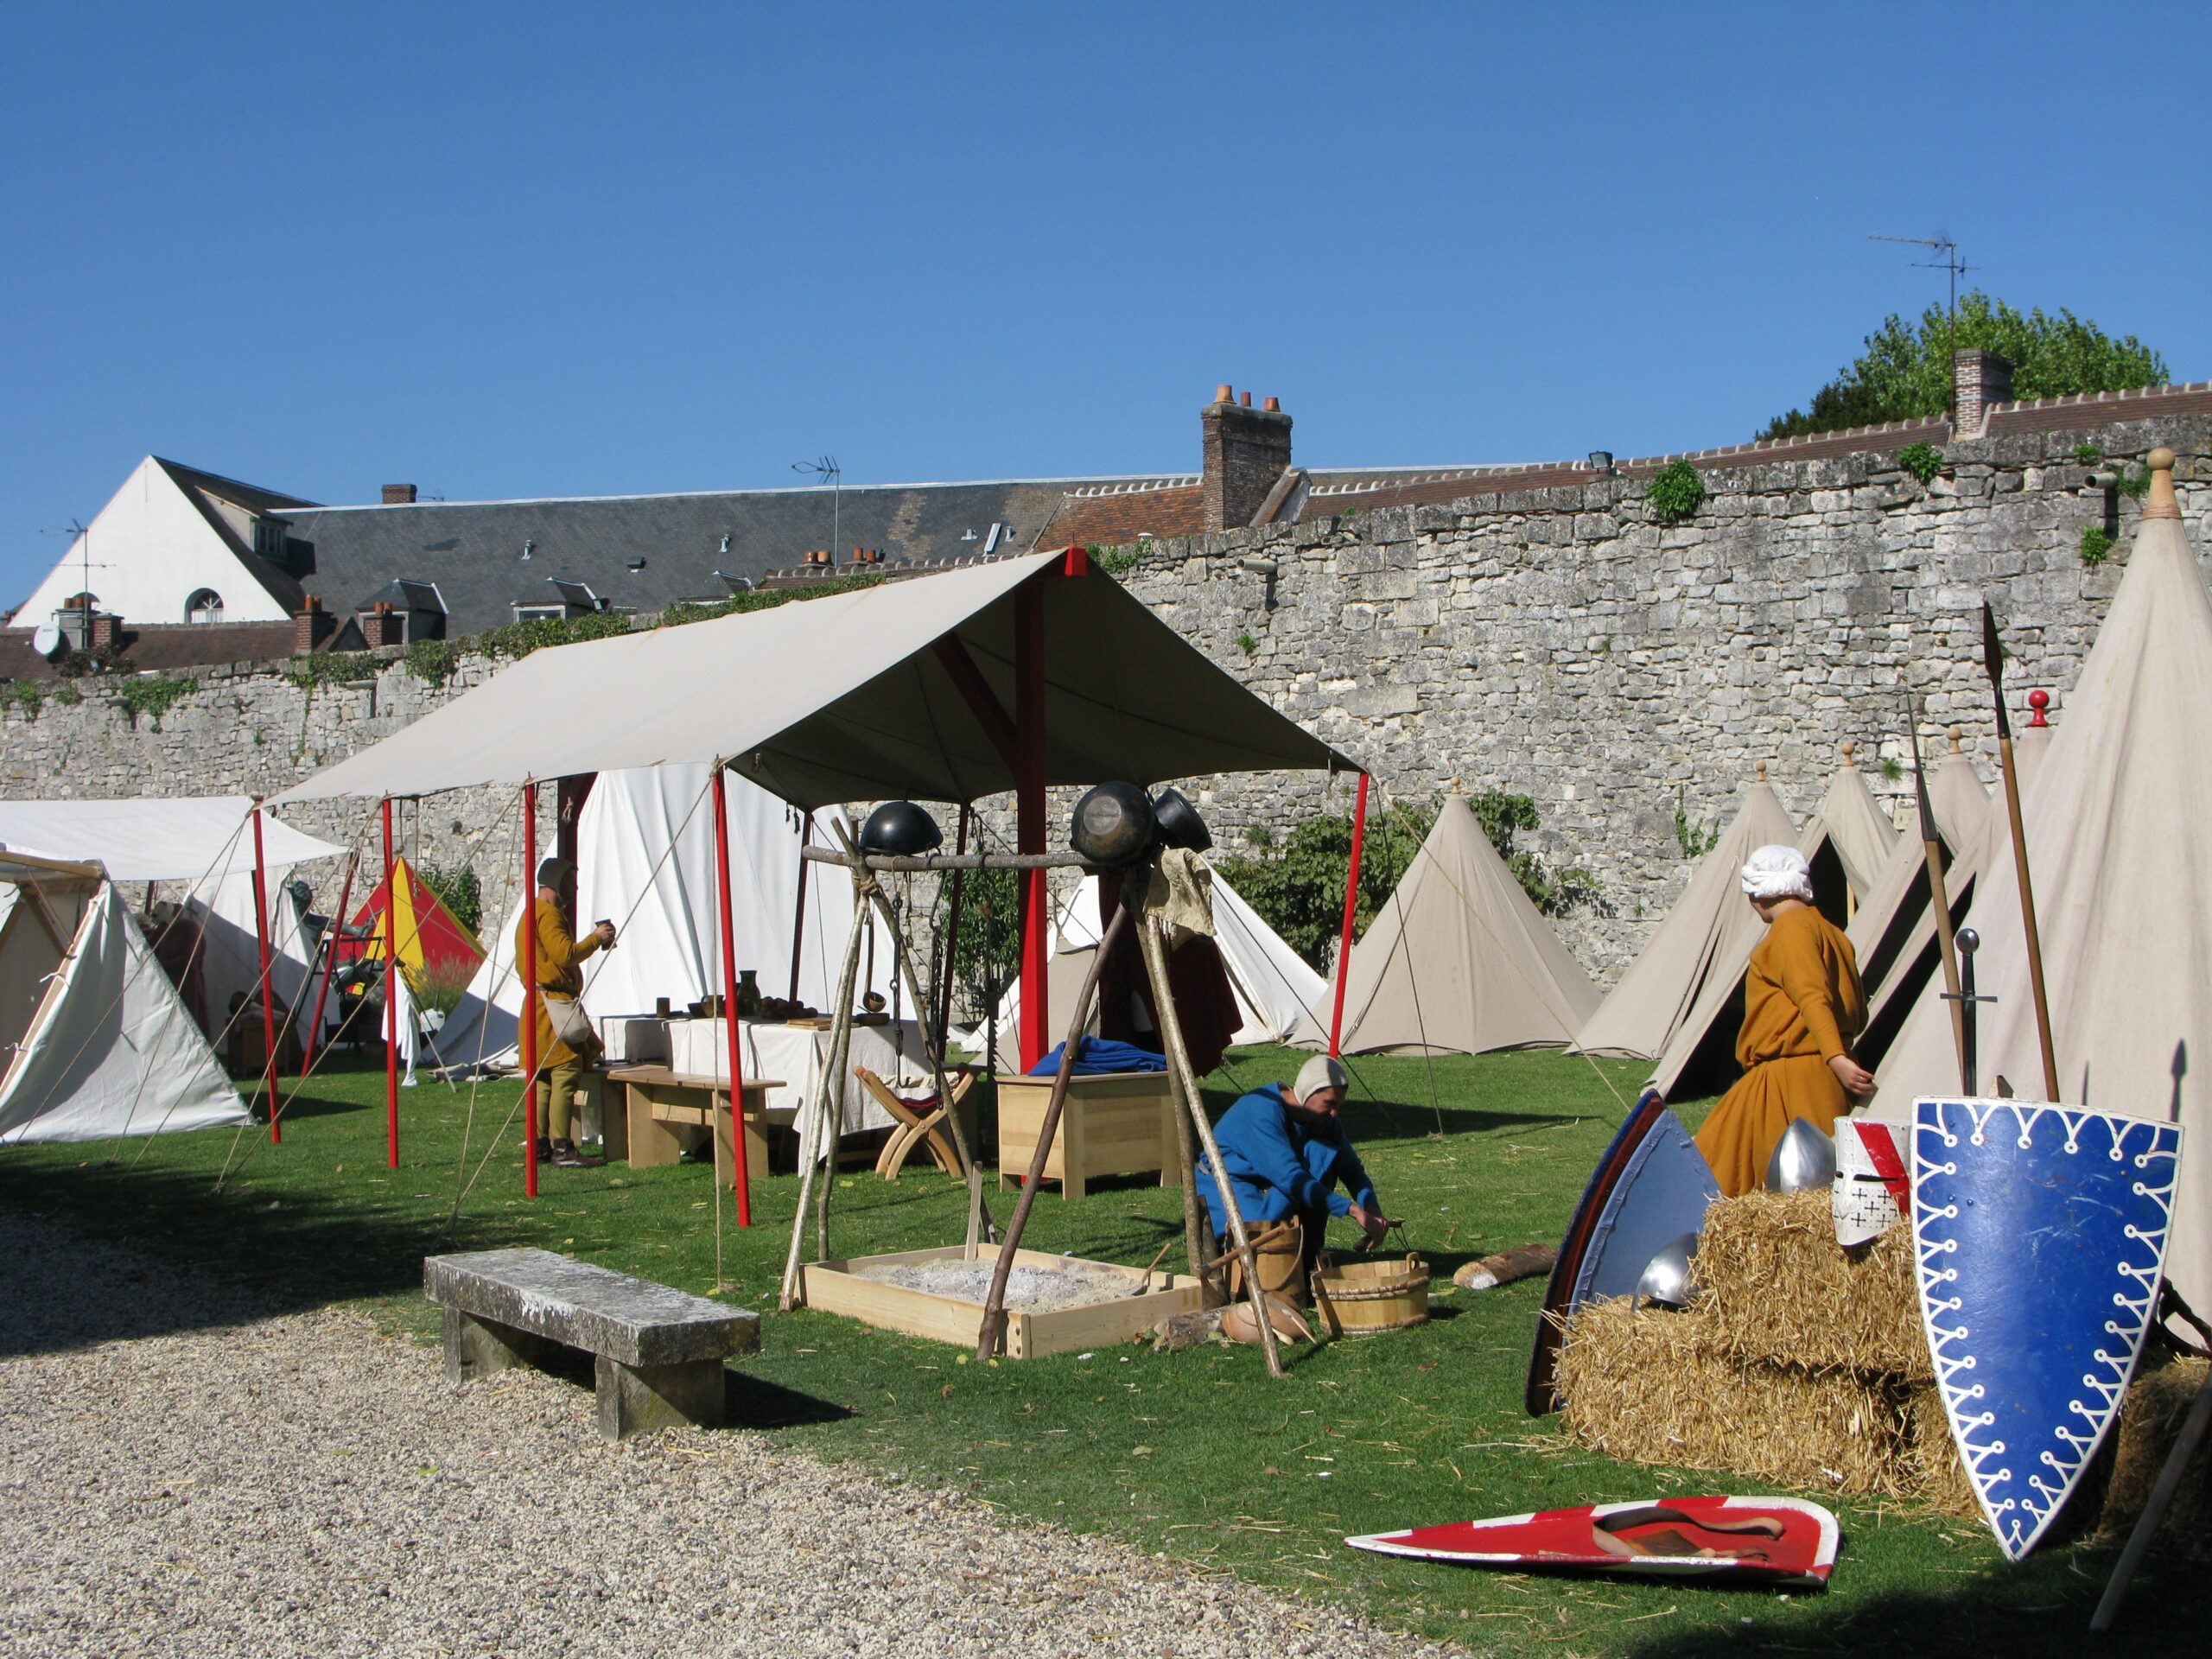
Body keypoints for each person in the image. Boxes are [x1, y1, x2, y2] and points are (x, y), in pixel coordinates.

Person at [1694, 844, 1872, 1196]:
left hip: (1794, 1078)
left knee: (1784, 1189)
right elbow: (1855, 1010)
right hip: (1811, 1070)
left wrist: (1835, 1057)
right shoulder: (1833, 933)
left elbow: (1812, 995)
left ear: (1758, 894)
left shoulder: (1791, 930)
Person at [1196, 1054, 1391, 1306]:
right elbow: (1292, 1180)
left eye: (1338, 1106)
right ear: (1308, 1093)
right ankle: (1263, 1272)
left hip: (1275, 1182)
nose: (1334, 1114)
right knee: (1260, 1242)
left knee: (1322, 1154)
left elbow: (1351, 1168)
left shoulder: (1323, 1119)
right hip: (1228, 1182)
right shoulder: (1261, 1112)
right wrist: (1351, 1210)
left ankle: (1306, 1256)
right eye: (1329, 1104)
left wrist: (1371, 1207)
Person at [518, 856, 615, 1168]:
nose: (573, 889)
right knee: (564, 1073)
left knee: (543, 1079)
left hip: (536, 1005)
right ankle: (562, 1148)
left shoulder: (531, 913)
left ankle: (539, 1146)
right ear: (556, 882)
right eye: (569, 883)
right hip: (553, 1007)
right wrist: (596, 938)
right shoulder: (547, 915)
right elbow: (565, 954)